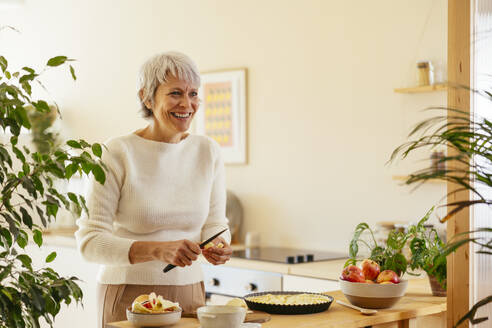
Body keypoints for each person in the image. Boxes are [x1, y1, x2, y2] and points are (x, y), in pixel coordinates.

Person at [75, 51, 232, 327]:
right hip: (128, 295)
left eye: (193, 94)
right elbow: (90, 242)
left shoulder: (208, 152)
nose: (187, 104)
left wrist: (220, 245)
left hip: (191, 293)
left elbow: (216, 224)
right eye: (175, 93)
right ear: (147, 97)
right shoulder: (116, 152)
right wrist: (158, 250)